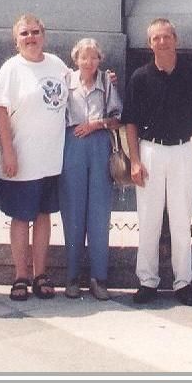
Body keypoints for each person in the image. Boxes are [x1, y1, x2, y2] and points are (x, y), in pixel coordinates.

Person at [122, 18, 192, 306]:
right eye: (156, 38)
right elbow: (130, 123)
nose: (161, 42)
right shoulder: (140, 77)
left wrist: (185, 132)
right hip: (150, 151)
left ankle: (183, 282)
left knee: (180, 218)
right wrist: (135, 161)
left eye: (166, 37)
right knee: (148, 218)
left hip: (182, 151)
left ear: (175, 39)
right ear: (149, 44)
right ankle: (147, 281)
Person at [0, 14, 69, 301]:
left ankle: (40, 274)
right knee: (22, 218)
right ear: (16, 39)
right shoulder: (11, 70)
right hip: (21, 158)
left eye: (35, 32)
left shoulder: (57, 65)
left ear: (43, 35)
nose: (31, 37)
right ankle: (21, 275)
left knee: (44, 215)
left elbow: (77, 90)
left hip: (51, 158)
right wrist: (7, 151)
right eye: (24, 34)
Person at [59, 38, 122, 301]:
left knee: (99, 212)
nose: (89, 62)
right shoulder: (65, 81)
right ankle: (72, 277)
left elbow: (118, 118)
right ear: (76, 59)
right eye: (84, 57)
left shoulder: (107, 83)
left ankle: (99, 277)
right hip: (72, 144)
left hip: (99, 145)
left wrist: (97, 124)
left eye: (94, 57)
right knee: (73, 211)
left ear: (100, 59)